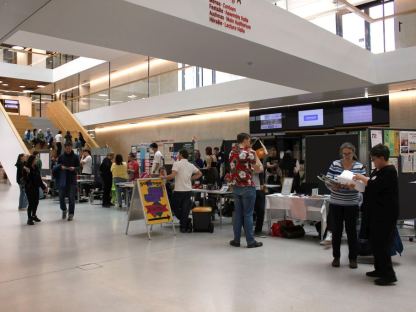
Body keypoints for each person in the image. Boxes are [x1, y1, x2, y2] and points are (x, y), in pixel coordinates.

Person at [354, 144, 399, 286]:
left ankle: (389, 275)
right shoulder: (377, 171)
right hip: (374, 213)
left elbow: (375, 185)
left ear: (381, 158)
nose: (373, 161)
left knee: (382, 244)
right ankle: (379, 269)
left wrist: (361, 177)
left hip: (385, 214)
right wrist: (354, 184)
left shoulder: (390, 171)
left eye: (374, 159)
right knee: (374, 242)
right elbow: (369, 187)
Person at [326, 142, 366, 269]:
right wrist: (334, 185)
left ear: (354, 153)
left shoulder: (359, 166)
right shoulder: (335, 164)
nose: (347, 156)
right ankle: (336, 257)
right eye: (344, 154)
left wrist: (352, 186)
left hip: (352, 203)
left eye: (349, 153)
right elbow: (327, 180)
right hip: (336, 202)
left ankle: (353, 258)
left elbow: (363, 186)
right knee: (336, 231)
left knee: (352, 231)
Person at [227, 133, 263, 248]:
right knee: (248, 215)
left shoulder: (232, 152)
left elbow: (234, 168)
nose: (250, 142)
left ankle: (236, 240)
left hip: (236, 187)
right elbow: (258, 169)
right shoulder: (250, 152)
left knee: (238, 214)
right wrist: (257, 158)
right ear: (245, 140)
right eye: (249, 140)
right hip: (248, 186)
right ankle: (251, 241)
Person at [162, 149, 202, 233]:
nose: (177, 156)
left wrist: (163, 177)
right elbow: (199, 174)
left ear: (181, 155)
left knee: (173, 207)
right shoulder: (191, 165)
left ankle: (185, 222)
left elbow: (173, 175)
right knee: (185, 209)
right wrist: (190, 179)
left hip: (179, 191)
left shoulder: (176, 164)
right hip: (188, 190)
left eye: (178, 154)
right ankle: (184, 226)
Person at [54, 142, 80, 221]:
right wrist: (61, 167)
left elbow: (79, 167)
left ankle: (71, 214)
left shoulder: (76, 157)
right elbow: (57, 167)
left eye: (70, 148)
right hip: (63, 180)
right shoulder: (61, 157)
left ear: (71, 148)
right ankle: (64, 209)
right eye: (67, 148)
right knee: (61, 197)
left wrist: (74, 168)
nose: (68, 149)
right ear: (65, 148)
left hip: (72, 180)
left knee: (71, 198)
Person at [22, 155, 48, 225]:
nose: (36, 161)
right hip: (29, 188)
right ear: (32, 160)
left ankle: (34, 215)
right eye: (35, 160)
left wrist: (44, 187)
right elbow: (26, 179)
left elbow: (39, 179)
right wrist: (29, 172)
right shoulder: (26, 168)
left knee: (36, 202)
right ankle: (29, 218)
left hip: (36, 187)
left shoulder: (36, 167)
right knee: (31, 203)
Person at [253, 171, 266, 236]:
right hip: (249, 188)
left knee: (261, 210)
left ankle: (258, 230)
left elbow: (261, 170)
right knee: (248, 211)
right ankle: (248, 229)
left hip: (259, 189)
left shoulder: (259, 162)